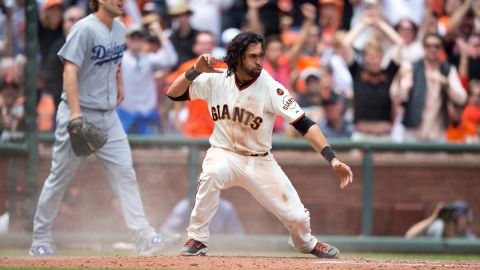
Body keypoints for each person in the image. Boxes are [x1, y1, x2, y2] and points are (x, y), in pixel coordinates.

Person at [167, 32, 353, 258]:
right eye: (252, 56)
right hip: (224, 153)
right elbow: (174, 94)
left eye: (260, 56)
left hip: (259, 159)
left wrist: (332, 158)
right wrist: (194, 70)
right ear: (237, 57)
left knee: (296, 217)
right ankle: (197, 238)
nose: (259, 62)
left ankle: (306, 243)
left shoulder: (270, 87)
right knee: (212, 174)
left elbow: (305, 124)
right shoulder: (217, 78)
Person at [30, 0, 175, 256]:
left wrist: (118, 85)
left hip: (109, 116)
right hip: (80, 112)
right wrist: (75, 115)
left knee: (125, 174)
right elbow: (70, 71)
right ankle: (40, 239)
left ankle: (143, 236)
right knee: (59, 178)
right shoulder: (83, 29)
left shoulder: (120, 28)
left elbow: (115, 61)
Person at [160, 198, 244, 235]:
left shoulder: (226, 208)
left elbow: (237, 235)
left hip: (220, 250)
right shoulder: (185, 205)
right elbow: (166, 231)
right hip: (191, 248)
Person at [405, 201, 476, 240]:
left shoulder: (469, 238)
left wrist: (451, 235)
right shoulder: (438, 226)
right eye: (456, 217)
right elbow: (409, 236)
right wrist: (433, 218)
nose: (459, 221)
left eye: (462, 217)